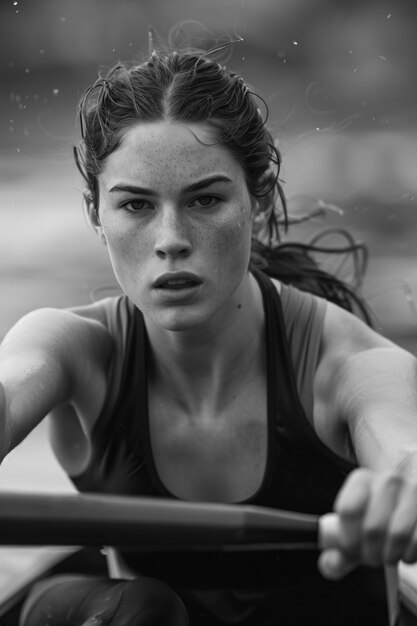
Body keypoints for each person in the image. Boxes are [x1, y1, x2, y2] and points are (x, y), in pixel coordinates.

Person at [1, 44, 417, 626]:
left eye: (205, 199)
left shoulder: (350, 364)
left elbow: (406, 454)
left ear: (260, 196)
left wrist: (401, 492)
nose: (171, 238)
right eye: (136, 206)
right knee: (145, 610)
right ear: (96, 213)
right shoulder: (69, 346)